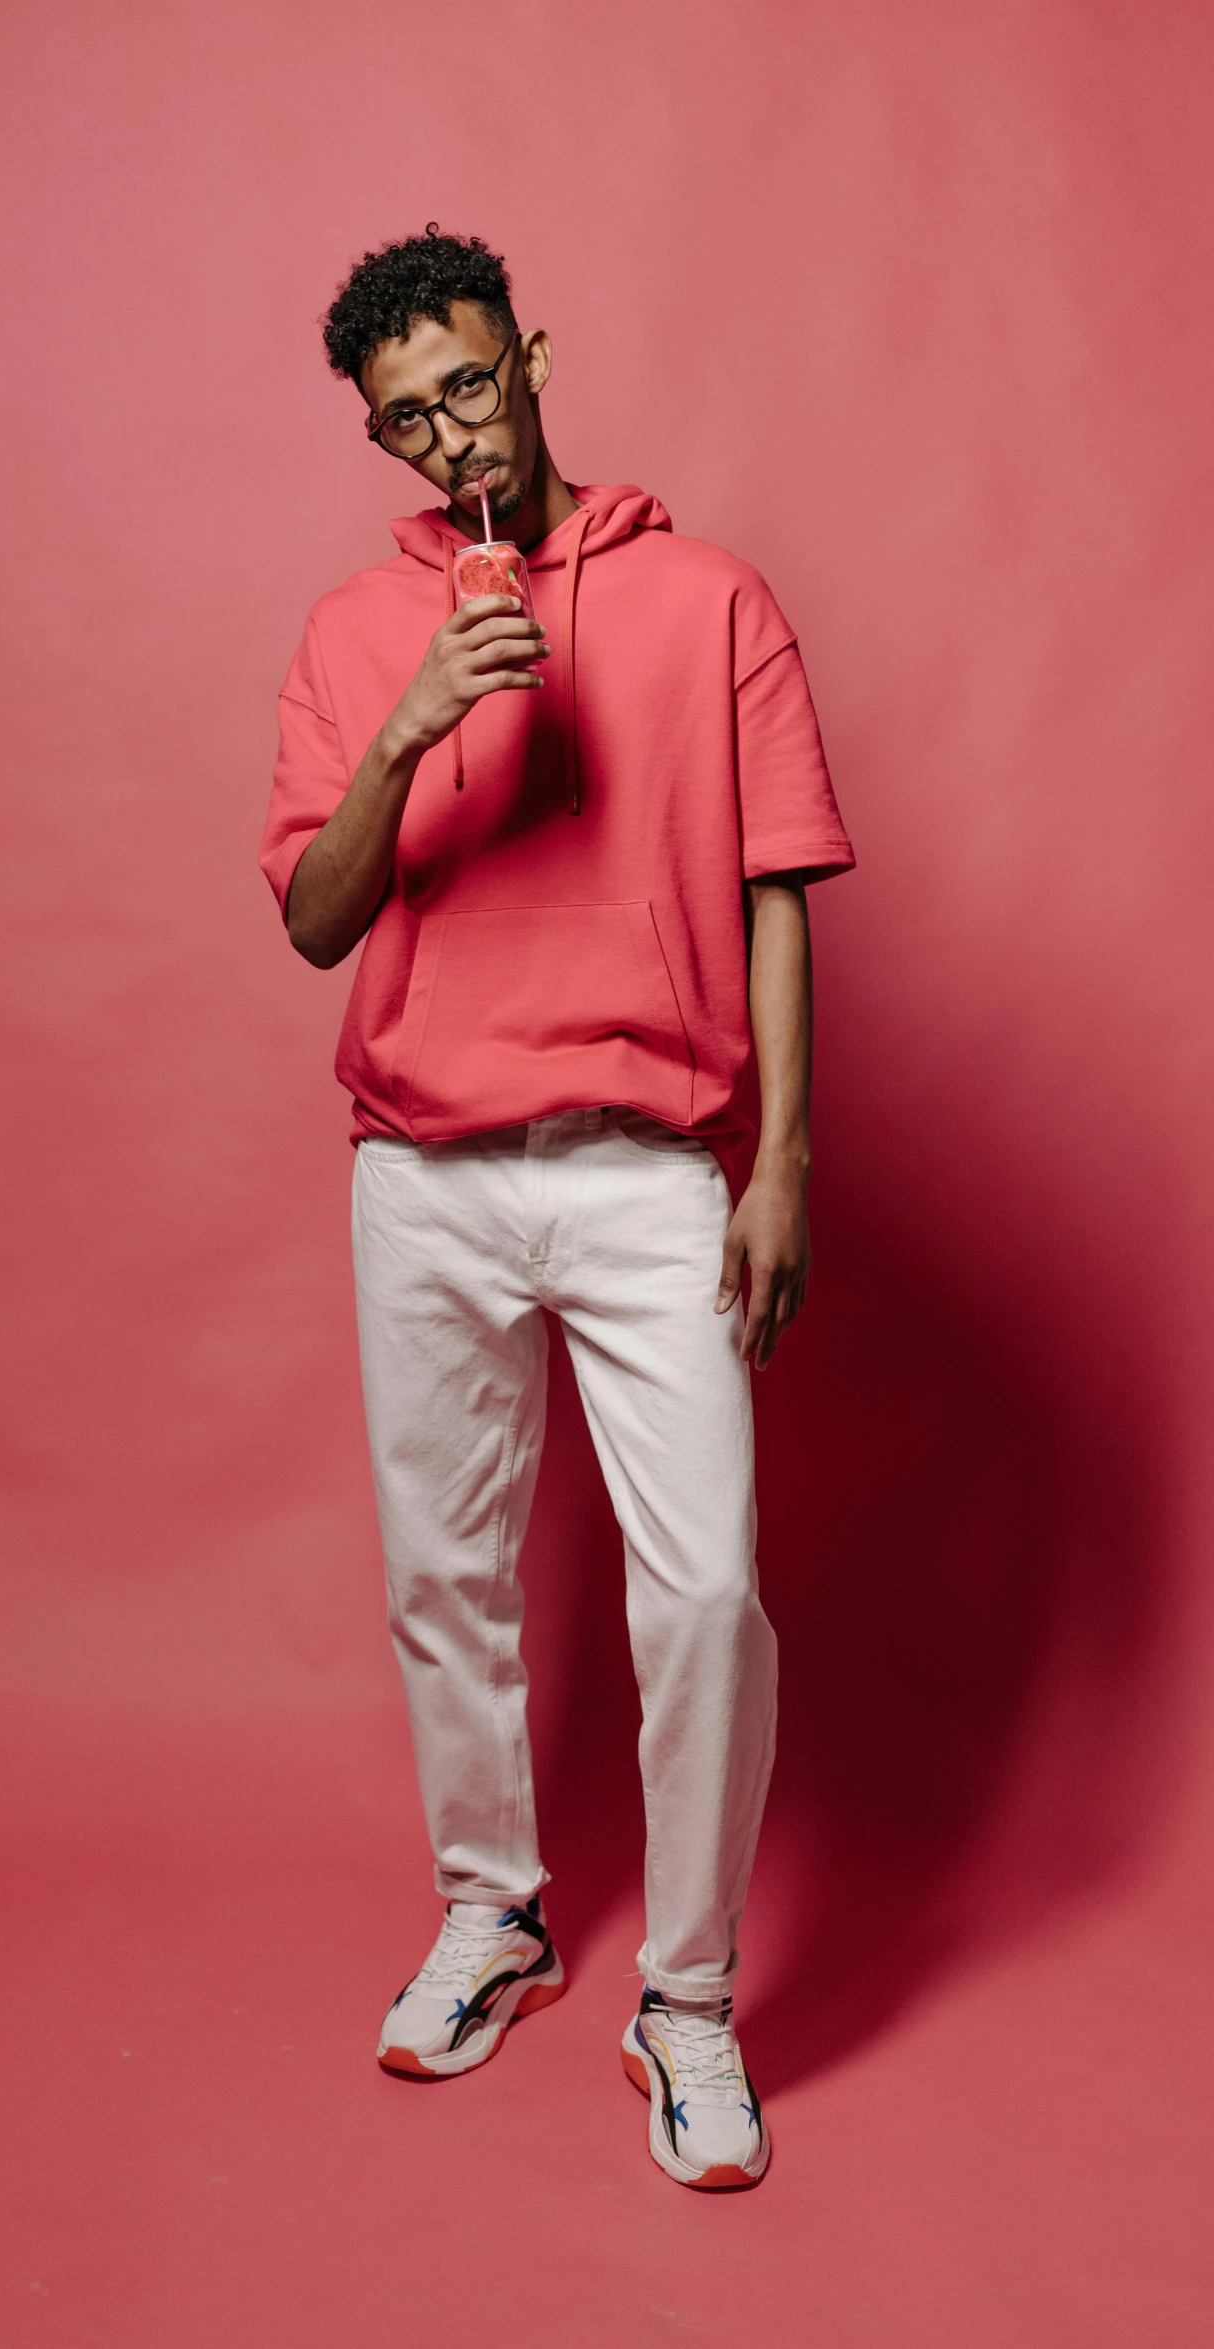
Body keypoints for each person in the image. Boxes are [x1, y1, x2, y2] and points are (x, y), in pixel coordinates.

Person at [259, 227, 854, 2191]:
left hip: (641, 1161)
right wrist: (420, 715)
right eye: (406, 413)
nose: (450, 429)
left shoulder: (709, 596)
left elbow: (775, 882)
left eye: (468, 381)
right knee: (446, 1575)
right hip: (421, 1169)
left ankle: (684, 1995)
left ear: (529, 354)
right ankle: (492, 1910)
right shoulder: (357, 629)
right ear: (380, 429)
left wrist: (772, 1158)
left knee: (699, 1592)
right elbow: (314, 915)